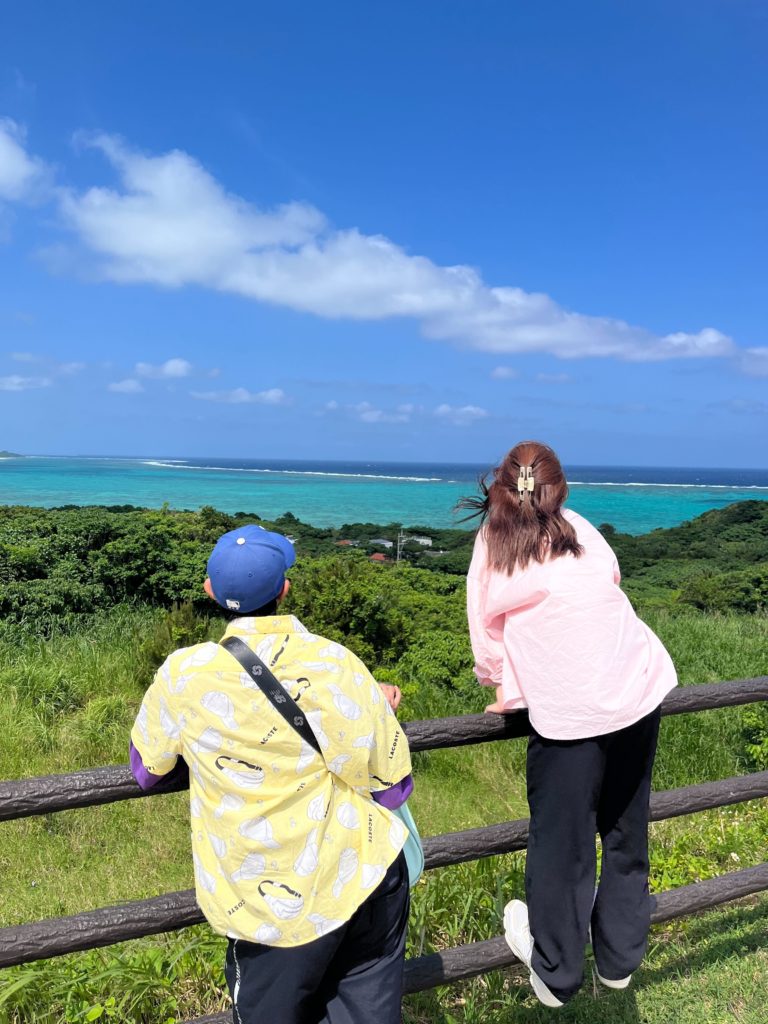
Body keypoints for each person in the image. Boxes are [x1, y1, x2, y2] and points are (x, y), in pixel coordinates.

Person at [129, 524, 414, 1024]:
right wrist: (375, 698)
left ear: (209, 591)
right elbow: (393, 787)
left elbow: (146, 770)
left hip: (264, 907)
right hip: (362, 876)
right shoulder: (335, 661)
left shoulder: (182, 674)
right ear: (285, 590)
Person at [462, 441, 677, 1008]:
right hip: (636, 682)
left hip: (568, 709)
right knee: (626, 830)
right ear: (560, 487)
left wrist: (505, 686)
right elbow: (612, 578)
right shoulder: (578, 526)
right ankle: (618, 960)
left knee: (563, 843)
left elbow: (486, 636)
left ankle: (556, 974)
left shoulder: (494, 541)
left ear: (503, 485)